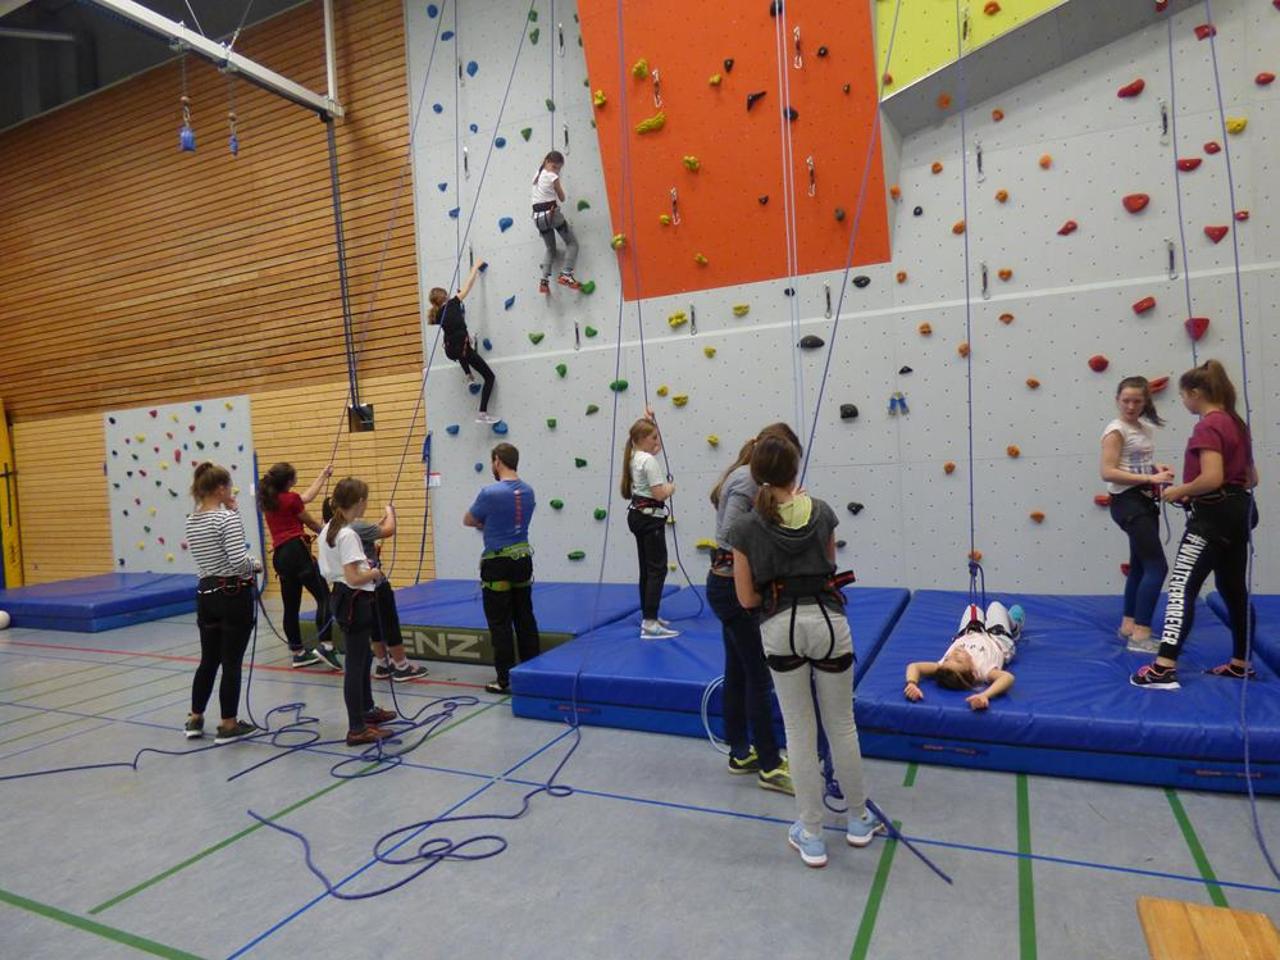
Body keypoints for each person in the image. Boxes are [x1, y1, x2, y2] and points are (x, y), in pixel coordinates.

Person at [726, 435, 879, 868]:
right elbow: (828, 567)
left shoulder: (745, 528)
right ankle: (858, 818)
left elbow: (747, 599)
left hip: (781, 629)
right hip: (829, 623)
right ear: (795, 470)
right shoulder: (823, 512)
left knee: (799, 731)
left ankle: (811, 833)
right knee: (842, 725)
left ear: (755, 473)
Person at [1132, 360, 1260, 690]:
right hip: (1239, 512)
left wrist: (1181, 490)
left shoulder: (1208, 426)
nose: (1183, 402)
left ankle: (1163, 667)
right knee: (1233, 589)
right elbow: (1251, 478)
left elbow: (1213, 477)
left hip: (1213, 519)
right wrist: (1201, 490)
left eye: (1183, 396)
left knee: (1181, 588)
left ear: (1196, 393)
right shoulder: (1236, 423)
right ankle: (1241, 663)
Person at [707, 424, 803, 796]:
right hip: (733, 589)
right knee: (759, 677)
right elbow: (732, 535)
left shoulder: (749, 479)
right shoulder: (749, 481)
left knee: (739, 671)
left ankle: (740, 752)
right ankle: (768, 763)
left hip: (729, 586)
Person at [184, 462, 261, 744]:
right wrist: (255, 564)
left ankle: (195, 717)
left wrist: (233, 512)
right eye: (229, 486)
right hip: (231, 595)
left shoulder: (192, 520)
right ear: (220, 489)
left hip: (206, 595)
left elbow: (218, 550)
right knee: (231, 662)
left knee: (209, 660)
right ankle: (228, 723)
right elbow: (237, 560)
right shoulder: (226, 519)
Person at [318, 477, 397, 745]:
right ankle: (356, 727)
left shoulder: (329, 529)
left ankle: (366, 710)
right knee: (355, 664)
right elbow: (353, 577)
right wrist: (373, 572)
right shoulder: (347, 534)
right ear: (360, 502)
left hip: (343, 597)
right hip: (354, 599)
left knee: (363, 658)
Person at [1100, 377, 1175, 652]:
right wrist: (1150, 479)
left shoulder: (1143, 428)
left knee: (1141, 565)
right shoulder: (1116, 430)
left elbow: (1133, 462)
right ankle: (1141, 635)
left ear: (1145, 402)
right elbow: (1108, 471)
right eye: (1126, 401)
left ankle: (1128, 625)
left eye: (1137, 401)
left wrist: (1155, 469)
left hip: (1142, 500)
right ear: (1117, 400)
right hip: (1128, 502)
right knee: (1157, 566)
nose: (1131, 406)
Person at [321, 497, 428, 683]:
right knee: (389, 623)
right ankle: (402, 666)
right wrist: (390, 511)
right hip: (371, 584)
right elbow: (389, 530)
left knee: (375, 626)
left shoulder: (330, 530)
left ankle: (383, 663)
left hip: (351, 590)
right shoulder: (354, 528)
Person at [464, 443, 541, 694]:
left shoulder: (490, 492)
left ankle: (505, 678)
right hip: (522, 558)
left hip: (497, 562)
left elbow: (469, 519)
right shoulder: (528, 491)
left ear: (497, 461)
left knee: (500, 622)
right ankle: (533, 671)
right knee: (524, 616)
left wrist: (486, 524)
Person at [258, 461, 341, 670]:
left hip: (280, 557)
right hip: (296, 551)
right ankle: (326, 646)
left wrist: (323, 475)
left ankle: (298, 653)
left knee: (291, 606)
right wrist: (330, 535)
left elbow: (306, 497)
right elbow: (310, 522)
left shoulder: (270, 499)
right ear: (289, 481)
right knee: (324, 597)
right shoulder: (291, 499)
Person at [903, 601, 1025, 710]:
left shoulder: (943, 666)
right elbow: (1008, 678)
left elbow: (914, 666)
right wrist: (985, 695)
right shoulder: (983, 671)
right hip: (997, 639)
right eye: (959, 661)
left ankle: (985, 621)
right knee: (995, 606)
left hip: (969, 633)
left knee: (973, 607)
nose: (954, 653)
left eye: (948, 659)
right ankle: (1014, 627)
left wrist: (912, 683)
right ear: (972, 672)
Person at [622, 410, 679, 639]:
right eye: (654, 437)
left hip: (638, 516)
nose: (657, 441)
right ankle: (650, 622)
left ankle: (649, 614)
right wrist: (671, 487)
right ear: (642, 439)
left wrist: (651, 420)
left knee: (647, 569)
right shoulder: (648, 461)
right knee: (657, 569)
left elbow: (648, 443)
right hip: (649, 519)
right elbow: (659, 494)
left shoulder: (634, 456)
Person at [428, 260, 497, 424]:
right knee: (489, 377)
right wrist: (475, 268)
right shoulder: (453, 303)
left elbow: (454, 321)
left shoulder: (438, 315)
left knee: (462, 353)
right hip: (463, 350)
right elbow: (468, 286)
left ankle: (469, 376)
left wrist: (459, 309)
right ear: (445, 296)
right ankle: (482, 413)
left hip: (453, 351)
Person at [530, 150, 580, 294]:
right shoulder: (552, 176)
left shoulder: (537, 174)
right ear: (547, 162)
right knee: (572, 244)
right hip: (552, 214)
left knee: (550, 249)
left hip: (537, 218)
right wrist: (556, 181)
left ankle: (544, 281)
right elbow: (562, 198)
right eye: (554, 166)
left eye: (558, 168)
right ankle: (566, 273)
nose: (556, 170)